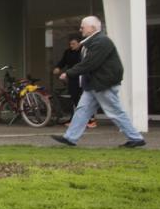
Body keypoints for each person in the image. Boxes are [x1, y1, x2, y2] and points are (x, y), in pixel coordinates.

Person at [52, 16, 145, 148]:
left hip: (102, 84)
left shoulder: (101, 42)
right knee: (82, 110)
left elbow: (89, 63)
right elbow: (88, 63)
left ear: (92, 28)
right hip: (94, 85)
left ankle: (135, 137)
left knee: (114, 111)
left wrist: (68, 73)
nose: (80, 29)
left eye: (82, 27)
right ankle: (70, 137)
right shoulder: (94, 42)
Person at [53, 34, 95, 129]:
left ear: (79, 43)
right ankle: (76, 119)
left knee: (85, 98)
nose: (71, 46)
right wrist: (58, 68)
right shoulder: (68, 52)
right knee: (74, 97)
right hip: (72, 77)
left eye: (73, 44)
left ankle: (91, 119)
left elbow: (86, 64)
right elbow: (63, 61)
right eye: (70, 44)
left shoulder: (84, 51)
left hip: (83, 77)